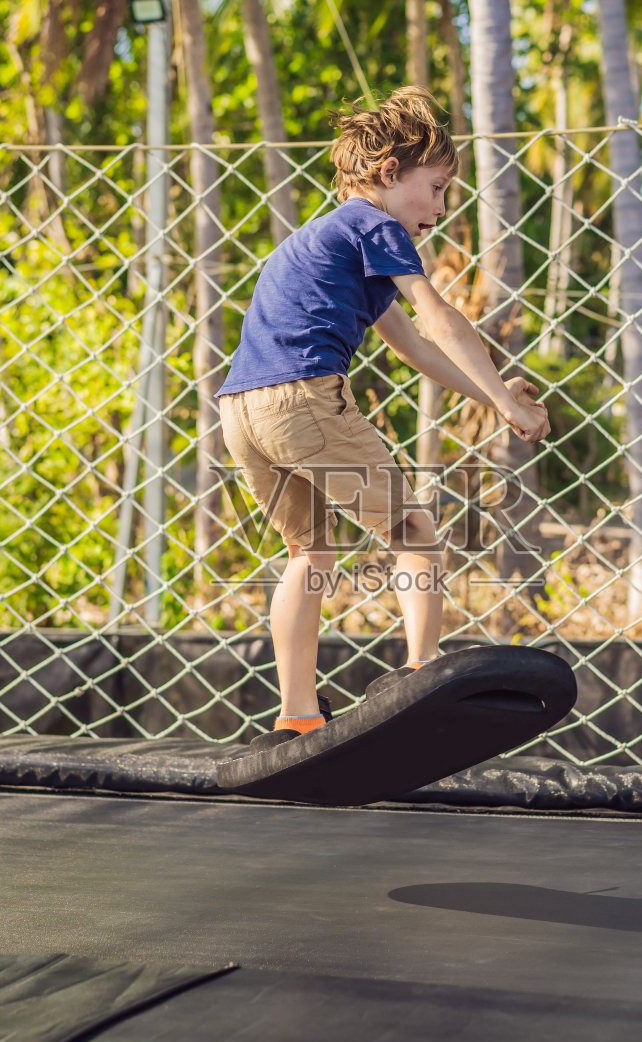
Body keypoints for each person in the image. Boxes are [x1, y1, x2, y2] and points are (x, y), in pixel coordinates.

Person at [216, 86, 551, 749]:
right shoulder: (377, 225)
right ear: (388, 174)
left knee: (309, 552)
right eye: (437, 186)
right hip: (302, 397)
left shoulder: (331, 239)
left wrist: (491, 395)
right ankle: (424, 674)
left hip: (240, 409)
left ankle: (297, 716)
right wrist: (510, 403)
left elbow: (414, 345)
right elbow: (440, 318)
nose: (441, 207)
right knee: (415, 528)